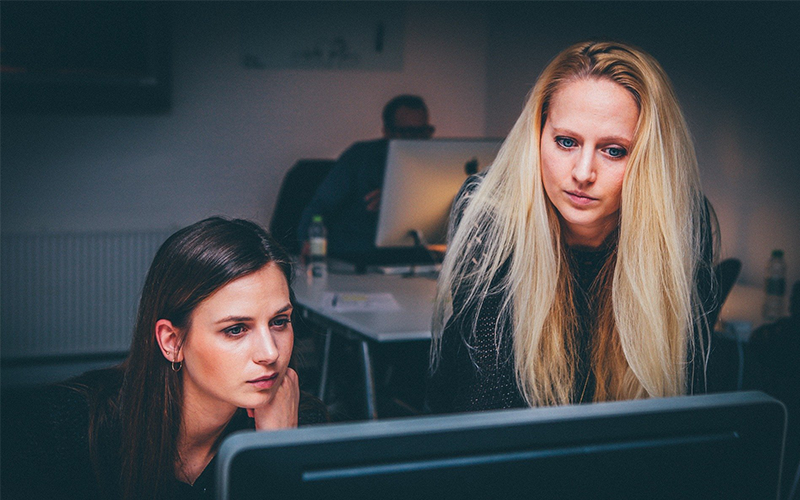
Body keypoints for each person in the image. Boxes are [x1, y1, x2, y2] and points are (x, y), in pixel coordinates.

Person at [427, 40, 719, 413]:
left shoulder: (683, 223)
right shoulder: (492, 213)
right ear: (537, 136)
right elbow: (488, 400)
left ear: (650, 159)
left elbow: (679, 400)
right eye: (566, 142)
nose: (583, 173)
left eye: (614, 150)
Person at [1, 217, 327, 500]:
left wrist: (276, 452)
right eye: (236, 329)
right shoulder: (67, 431)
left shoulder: (295, 424)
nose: (270, 353)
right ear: (172, 342)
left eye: (280, 321)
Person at [297, 94, 435, 257]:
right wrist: (310, 241)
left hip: (417, 256)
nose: (417, 140)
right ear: (387, 132)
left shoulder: (435, 165)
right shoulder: (360, 157)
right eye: (407, 133)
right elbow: (321, 205)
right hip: (359, 255)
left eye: (423, 132)